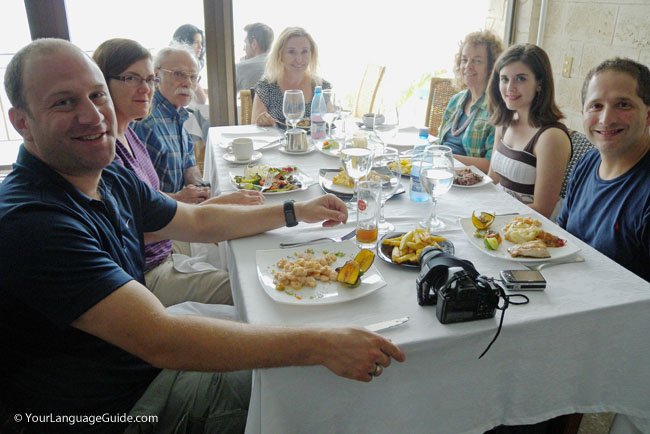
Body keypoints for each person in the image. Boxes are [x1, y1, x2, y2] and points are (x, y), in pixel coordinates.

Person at [0, 38, 405, 434]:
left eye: (97, 95)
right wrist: (321, 346)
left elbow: (197, 223)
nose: (93, 115)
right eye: (64, 101)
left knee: (281, 326)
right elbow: (159, 338)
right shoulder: (31, 223)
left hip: (135, 372)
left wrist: (295, 210)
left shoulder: (106, 176)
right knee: (309, 386)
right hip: (110, 409)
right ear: (22, 123)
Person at [93, 38, 263, 307]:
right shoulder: (123, 139)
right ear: (102, 83)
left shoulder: (132, 130)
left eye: (148, 79)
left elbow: (167, 186)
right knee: (251, 288)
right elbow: (134, 230)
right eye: (131, 78)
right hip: (149, 267)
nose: (145, 89)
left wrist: (202, 194)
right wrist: (207, 204)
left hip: (165, 241)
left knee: (252, 245)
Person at [557, 57, 649, 284]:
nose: (606, 119)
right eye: (596, 106)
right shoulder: (588, 161)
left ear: (648, 115)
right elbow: (561, 239)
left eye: (623, 105)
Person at [487, 43, 572, 219]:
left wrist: (491, 218)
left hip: (527, 230)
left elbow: (543, 209)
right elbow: (492, 180)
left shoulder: (551, 137)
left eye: (520, 78)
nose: (510, 87)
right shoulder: (504, 122)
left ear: (539, 83)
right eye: (504, 79)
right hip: (496, 218)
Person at [133, 43, 208, 203]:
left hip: (181, 209)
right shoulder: (144, 123)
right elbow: (135, 195)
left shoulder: (179, 114)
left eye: (193, 77)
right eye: (179, 74)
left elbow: (189, 164)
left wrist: (200, 189)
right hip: (160, 220)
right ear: (156, 76)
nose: (188, 83)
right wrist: (179, 198)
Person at [438, 30, 504, 173]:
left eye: (477, 61)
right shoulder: (456, 100)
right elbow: (440, 143)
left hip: (469, 183)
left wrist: (443, 157)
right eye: (464, 59)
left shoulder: (496, 108)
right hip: (442, 172)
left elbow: (491, 165)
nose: (468, 65)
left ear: (491, 67)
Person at [252, 26, 331, 127]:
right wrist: (261, 122)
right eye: (291, 52)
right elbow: (255, 130)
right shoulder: (266, 87)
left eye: (304, 51)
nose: (299, 59)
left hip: (315, 143)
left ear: (312, 54)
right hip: (278, 142)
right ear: (280, 54)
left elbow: (330, 126)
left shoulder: (321, 87)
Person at [172, 23, 208, 104]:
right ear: (185, 43)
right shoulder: (179, 64)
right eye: (196, 42)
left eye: (201, 43)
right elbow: (201, 100)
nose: (200, 47)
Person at [236, 22, 274, 92]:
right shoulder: (280, 64)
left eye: (246, 43)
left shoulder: (241, 67)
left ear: (254, 44)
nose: (244, 49)